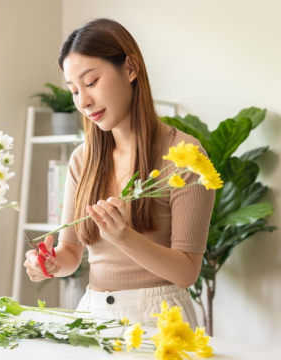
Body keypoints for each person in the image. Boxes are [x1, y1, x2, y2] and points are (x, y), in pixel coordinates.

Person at [24, 18, 215, 330]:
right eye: (73, 90)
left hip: (160, 320)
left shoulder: (184, 156)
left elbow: (186, 273)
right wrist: (50, 264)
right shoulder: (82, 159)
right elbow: (70, 251)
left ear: (129, 69)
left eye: (91, 82)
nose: (83, 101)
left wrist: (122, 236)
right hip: (92, 316)